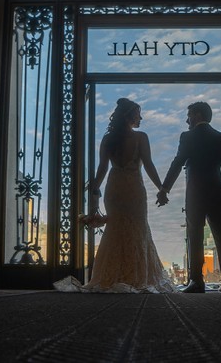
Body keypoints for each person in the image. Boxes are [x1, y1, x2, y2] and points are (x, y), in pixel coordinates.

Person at [54, 98, 176, 293]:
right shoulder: (141, 137)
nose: (141, 117)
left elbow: (102, 168)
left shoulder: (108, 139)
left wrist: (94, 189)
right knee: (138, 229)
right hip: (134, 189)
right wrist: (161, 188)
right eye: (138, 114)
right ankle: (136, 276)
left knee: (115, 229)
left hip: (114, 189)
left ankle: (111, 275)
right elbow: (149, 165)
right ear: (129, 116)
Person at [159, 101, 221, 293]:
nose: (187, 120)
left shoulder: (188, 137)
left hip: (195, 193)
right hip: (218, 192)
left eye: (189, 115)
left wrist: (165, 189)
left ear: (198, 115)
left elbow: (178, 163)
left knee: (195, 235)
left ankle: (196, 281)